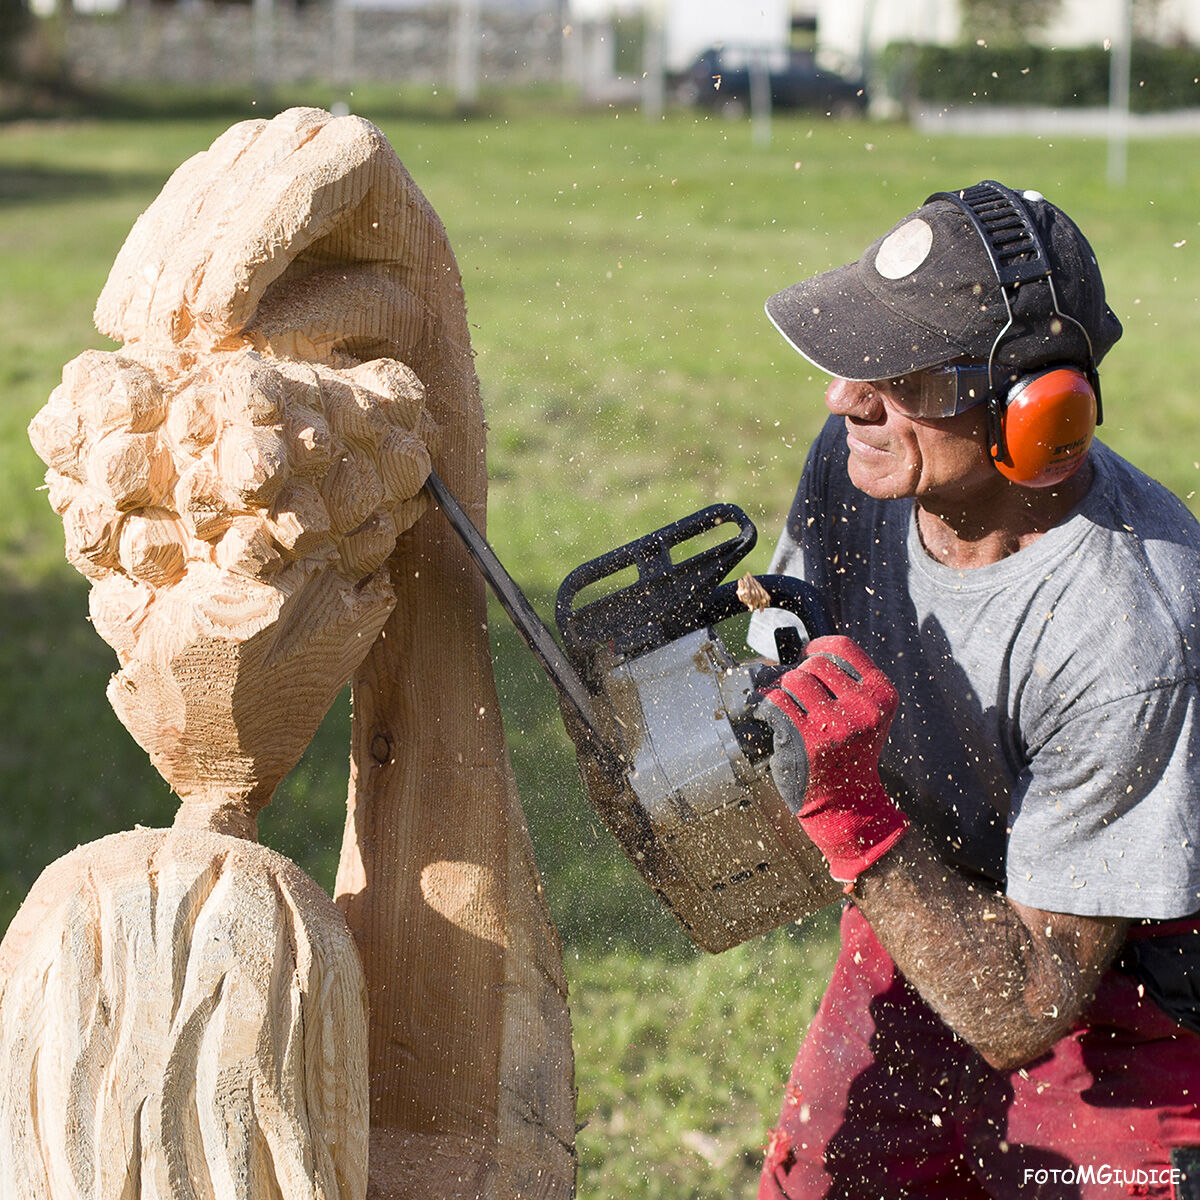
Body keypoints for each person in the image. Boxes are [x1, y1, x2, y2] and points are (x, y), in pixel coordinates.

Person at [746, 180, 1200, 1199]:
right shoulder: (858, 468)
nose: (847, 399)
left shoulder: (1129, 625)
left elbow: (1030, 1004)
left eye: (901, 376)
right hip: (923, 894)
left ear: (1038, 415)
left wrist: (849, 813)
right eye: (854, 360)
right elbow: (791, 681)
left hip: (1122, 989)